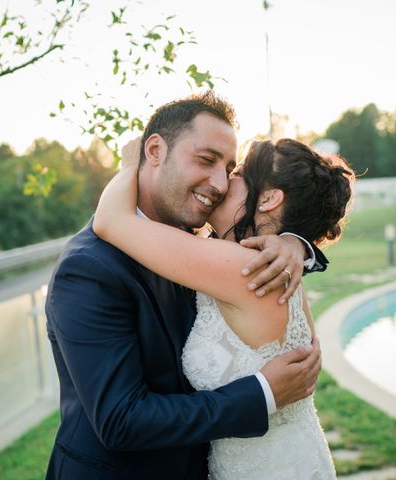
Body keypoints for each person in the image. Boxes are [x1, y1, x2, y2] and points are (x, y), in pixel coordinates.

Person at [44, 92, 325, 480]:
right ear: (155, 150)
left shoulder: (202, 246)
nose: (221, 183)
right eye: (206, 161)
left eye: (229, 168)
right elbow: (121, 420)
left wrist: (295, 243)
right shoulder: (88, 268)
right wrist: (262, 394)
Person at [93, 136, 355, 479]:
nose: (222, 182)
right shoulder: (277, 263)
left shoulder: (244, 270)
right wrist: (297, 243)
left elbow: (110, 221)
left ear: (270, 198)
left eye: (238, 173)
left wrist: (136, 164)